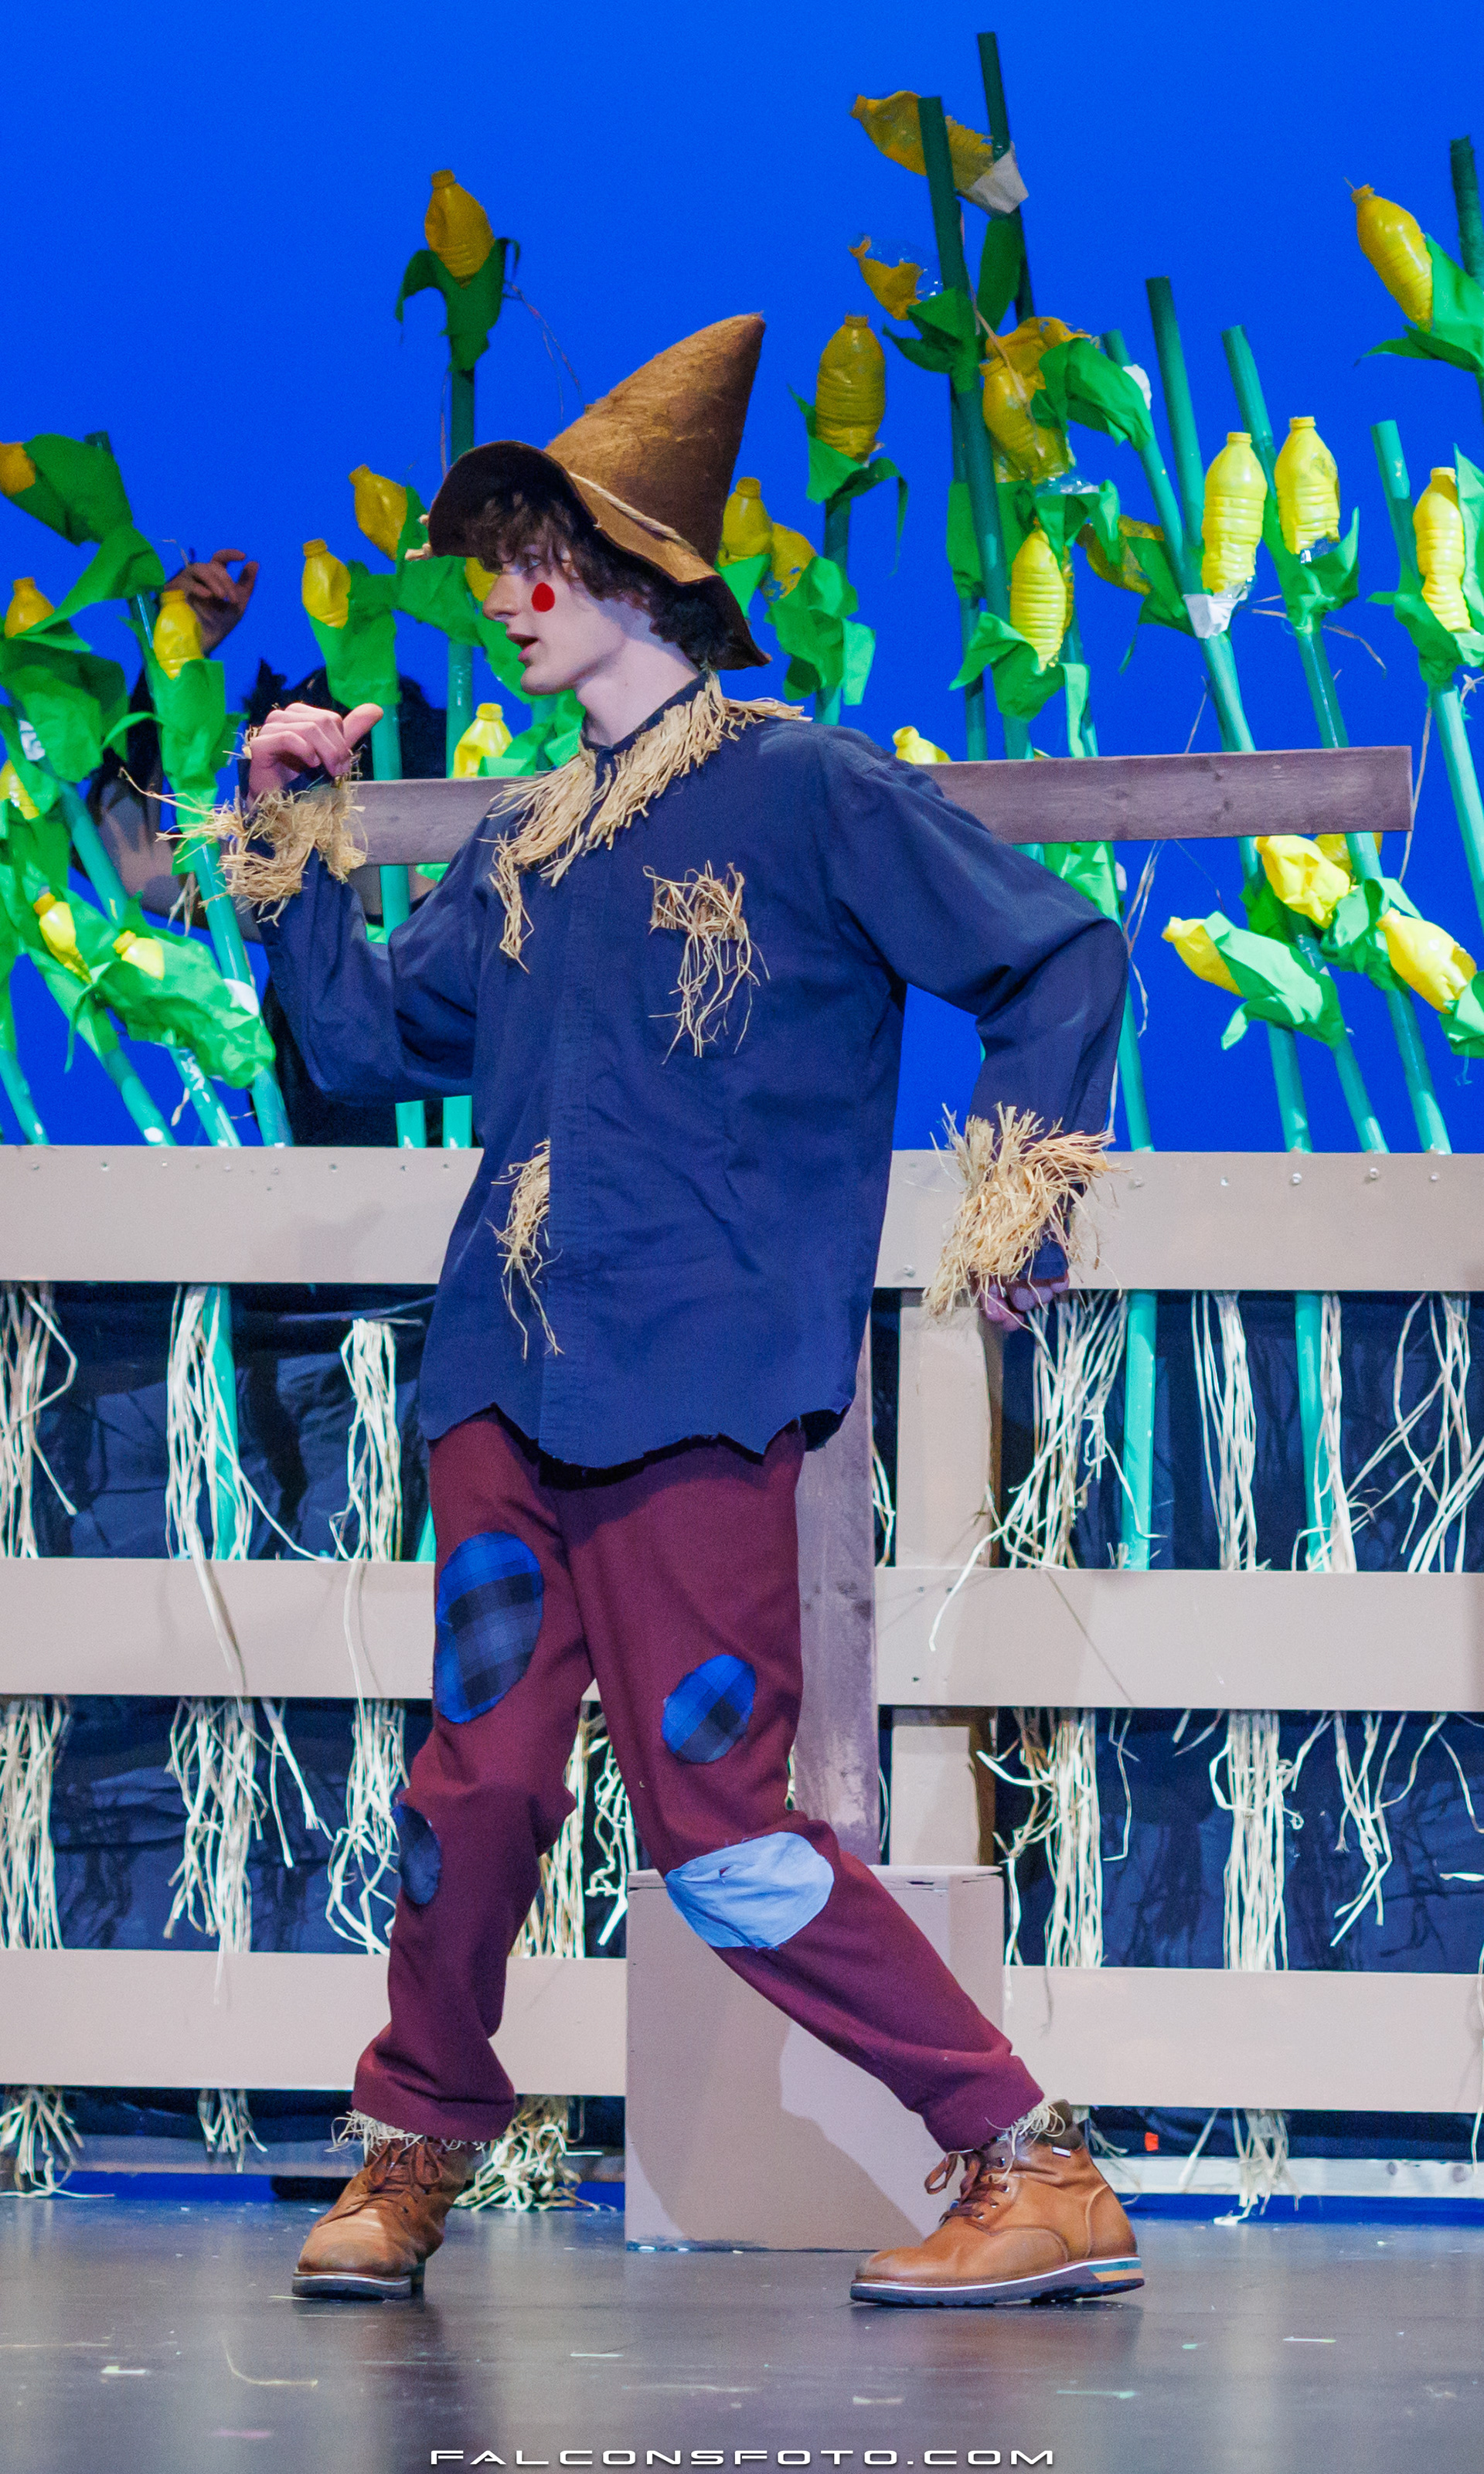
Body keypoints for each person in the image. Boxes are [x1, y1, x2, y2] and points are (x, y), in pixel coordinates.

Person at [234, 314, 1139, 2309]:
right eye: (494, 568)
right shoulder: (522, 841)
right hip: (507, 1377)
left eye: (532, 563)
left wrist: (1017, 1196)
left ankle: (1027, 2155)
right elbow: (371, 1046)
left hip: (699, 1389)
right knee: (472, 1790)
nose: (502, 601)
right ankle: (414, 2141)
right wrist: (293, 835)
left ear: (635, 573)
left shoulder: (806, 791)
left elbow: (1060, 956)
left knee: (721, 1835)